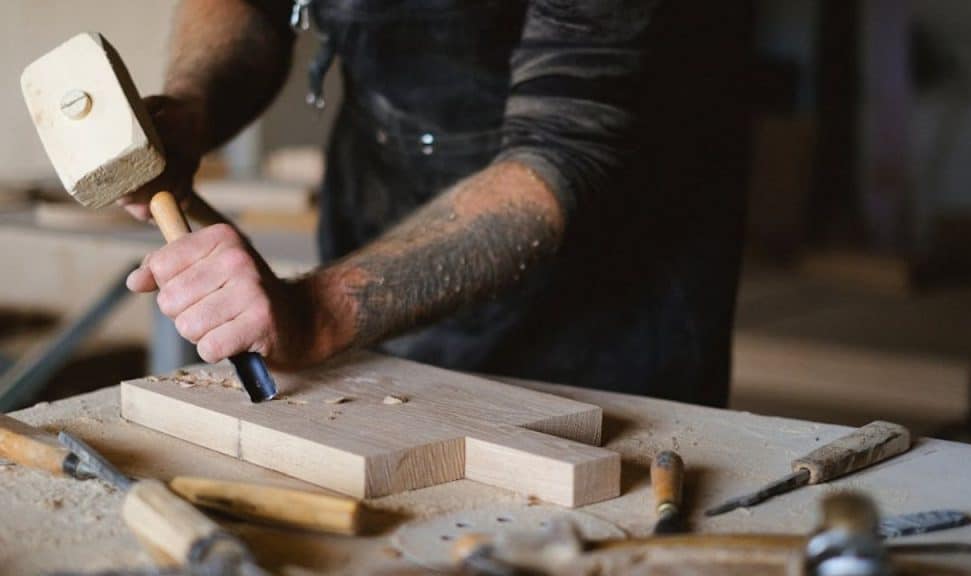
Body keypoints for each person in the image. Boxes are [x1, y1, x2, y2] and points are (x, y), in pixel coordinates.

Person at [123, 0, 751, 407]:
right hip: (382, 199)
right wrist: (193, 106)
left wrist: (319, 313)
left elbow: (559, 155)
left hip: (612, 286)